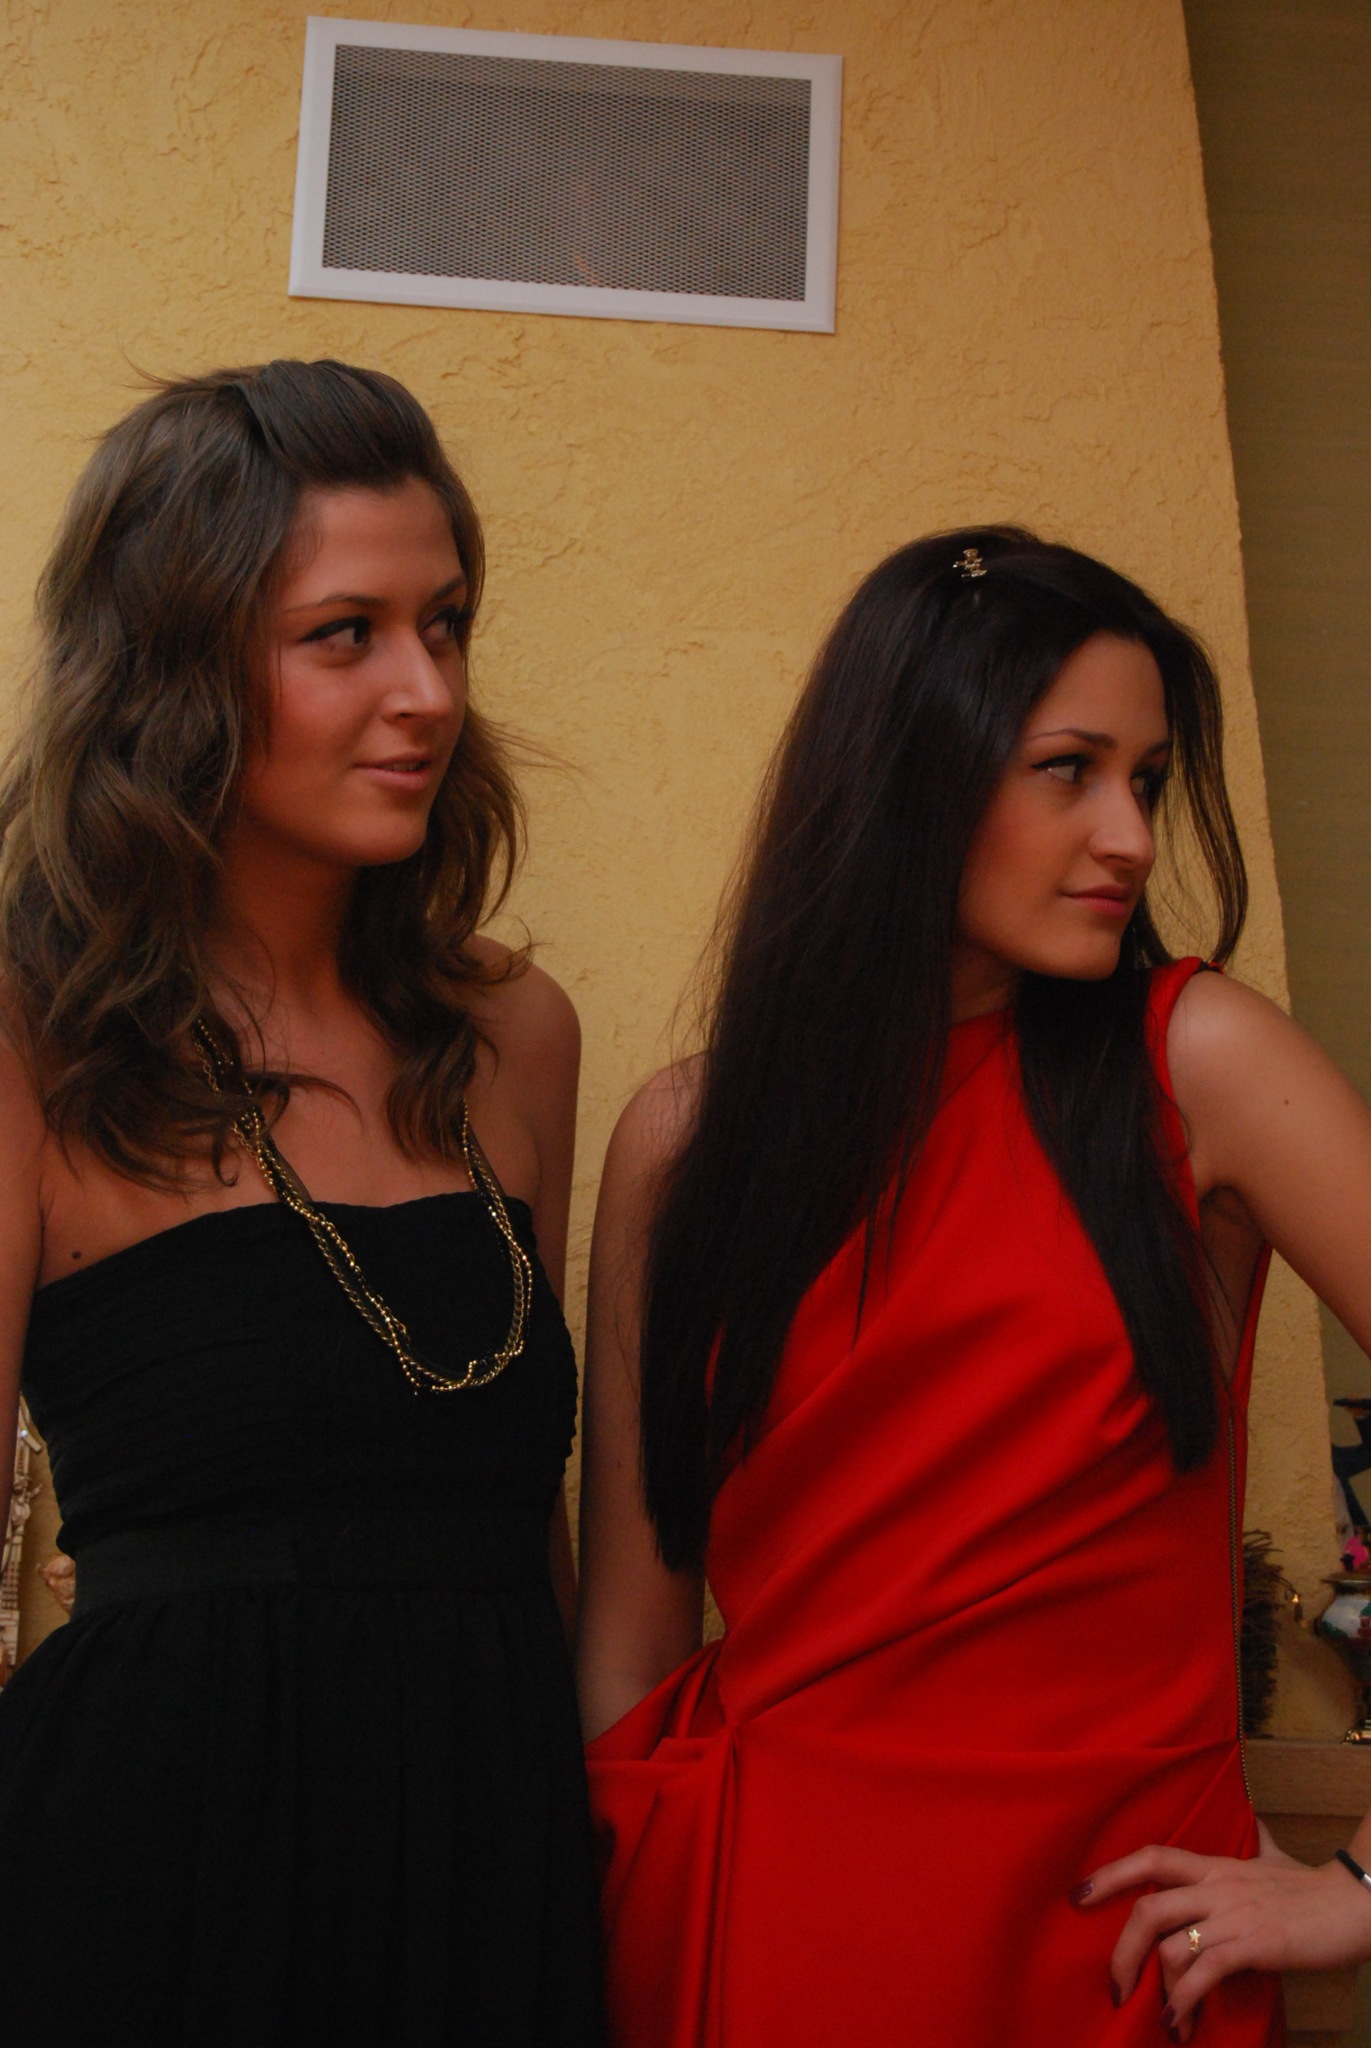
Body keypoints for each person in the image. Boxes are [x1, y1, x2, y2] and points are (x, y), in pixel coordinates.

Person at [575, 529, 1371, 2048]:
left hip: (1105, 1950)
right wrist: (646, 1917)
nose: (1130, 837)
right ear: (908, 775)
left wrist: (1363, 1886)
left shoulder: (1199, 1061)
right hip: (770, 1932)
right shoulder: (684, 1141)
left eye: (1148, 779)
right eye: (1069, 770)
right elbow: (631, 1636)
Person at [0, 360, 603, 2047]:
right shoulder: (34, 1036)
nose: (428, 691)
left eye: (448, 625)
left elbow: (532, 1521)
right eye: (347, 634)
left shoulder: (514, 1036)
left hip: (491, 1877)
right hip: (146, 1893)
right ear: (173, 667)